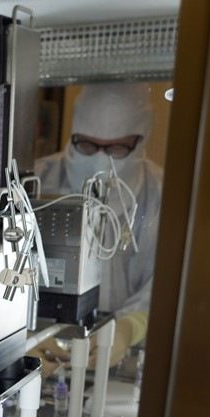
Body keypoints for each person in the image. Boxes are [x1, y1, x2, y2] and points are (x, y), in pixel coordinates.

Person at [34, 83, 164, 372]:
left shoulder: (164, 198)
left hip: (127, 361)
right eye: (88, 145)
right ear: (74, 135)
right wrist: (22, 333)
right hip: (43, 349)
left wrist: (130, 327)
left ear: (141, 141)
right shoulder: (35, 181)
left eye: (118, 148)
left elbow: (168, 282)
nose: (100, 160)